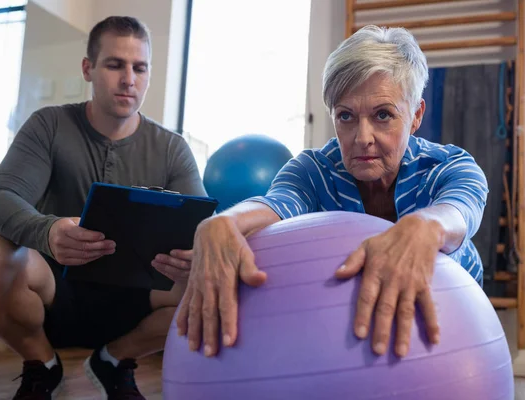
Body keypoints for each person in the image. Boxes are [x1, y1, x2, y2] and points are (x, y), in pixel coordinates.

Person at [162, 25, 489, 361]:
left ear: (416, 115)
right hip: (344, 341)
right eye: (346, 116)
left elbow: (459, 209)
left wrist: (425, 227)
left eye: (383, 115)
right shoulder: (313, 170)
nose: (363, 137)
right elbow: (279, 204)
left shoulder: (449, 167)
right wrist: (223, 223)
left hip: (451, 338)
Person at [0, 16, 204, 400]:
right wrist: (49, 231)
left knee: (212, 279)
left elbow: (198, 232)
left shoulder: (172, 149)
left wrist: (193, 257)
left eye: (139, 68)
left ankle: (114, 361)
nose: (129, 79)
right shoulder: (50, 125)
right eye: (115, 64)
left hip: (139, 295)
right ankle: (42, 364)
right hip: (52, 288)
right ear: (88, 68)